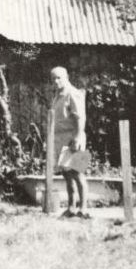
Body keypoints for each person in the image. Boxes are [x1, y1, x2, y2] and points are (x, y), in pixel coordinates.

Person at [50, 66, 90, 219]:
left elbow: (80, 117)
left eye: (59, 78)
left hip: (74, 138)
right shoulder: (57, 96)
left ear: (66, 77)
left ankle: (83, 209)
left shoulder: (73, 93)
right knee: (67, 175)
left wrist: (78, 137)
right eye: (53, 78)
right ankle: (71, 208)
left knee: (78, 173)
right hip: (61, 140)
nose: (56, 81)